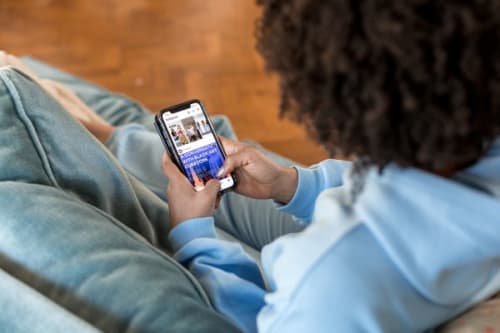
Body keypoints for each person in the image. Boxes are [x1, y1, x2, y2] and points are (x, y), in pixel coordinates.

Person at [5, 0, 500, 332]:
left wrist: (193, 234)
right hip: (373, 237)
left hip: (287, 282)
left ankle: (55, 112)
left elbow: (253, 317)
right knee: (196, 145)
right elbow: (384, 191)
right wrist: (295, 186)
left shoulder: (329, 278)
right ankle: (96, 130)